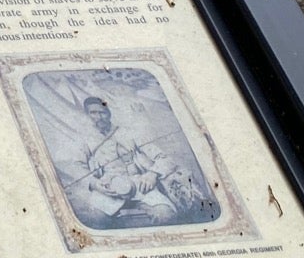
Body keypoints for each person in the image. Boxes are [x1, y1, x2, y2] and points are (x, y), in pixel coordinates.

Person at [71, 95, 214, 226]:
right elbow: (76, 166)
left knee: (166, 215)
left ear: (109, 113)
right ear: (88, 115)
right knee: (95, 220)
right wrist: (95, 184)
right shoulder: (85, 139)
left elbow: (164, 158)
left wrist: (152, 175)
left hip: (140, 185)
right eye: (93, 113)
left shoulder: (129, 133)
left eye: (102, 112)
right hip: (108, 189)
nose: (98, 117)